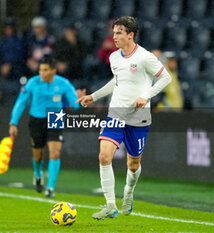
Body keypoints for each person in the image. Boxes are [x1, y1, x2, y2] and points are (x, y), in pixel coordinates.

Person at [76, 16, 171, 219]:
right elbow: (116, 82)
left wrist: (145, 96)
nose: (114, 36)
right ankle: (110, 205)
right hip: (116, 113)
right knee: (103, 156)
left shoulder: (144, 57)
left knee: (133, 164)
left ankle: (128, 192)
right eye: (114, 32)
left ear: (130, 34)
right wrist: (94, 96)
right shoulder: (114, 58)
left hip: (139, 117)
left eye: (119, 32)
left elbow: (166, 78)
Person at [9, 57, 83, 198]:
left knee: (55, 153)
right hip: (36, 119)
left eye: (45, 70)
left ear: (53, 71)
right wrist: (13, 122)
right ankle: (38, 175)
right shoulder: (32, 83)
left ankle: (50, 188)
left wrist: (81, 100)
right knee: (38, 156)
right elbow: (21, 103)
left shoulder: (64, 84)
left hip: (55, 117)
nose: (41, 73)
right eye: (40, 69)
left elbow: (75, 106)